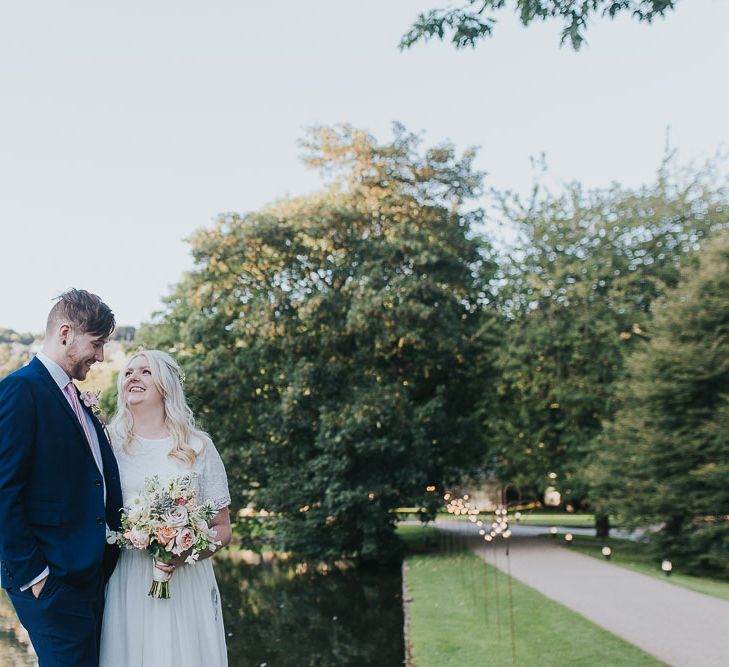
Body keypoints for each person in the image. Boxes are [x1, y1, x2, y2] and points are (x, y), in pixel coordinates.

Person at [0, 289, 123, 667]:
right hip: (52, 580)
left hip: (89, 574)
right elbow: (3, 491)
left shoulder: (75, 397)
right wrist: (35, 576)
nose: (101, 356)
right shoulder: (22, 389)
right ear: (66, 332)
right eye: (97, 343)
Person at [99, 350, 231, 667]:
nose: (133, 377)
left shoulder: (197, 445)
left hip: (186, 580)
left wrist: (185, 551)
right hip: (127, 575)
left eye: (145, 371)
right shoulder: (108, 444)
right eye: (128, 372)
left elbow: (223, 528)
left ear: (165, 385)